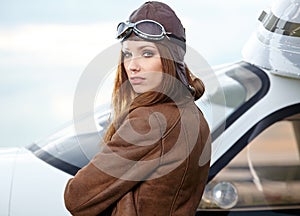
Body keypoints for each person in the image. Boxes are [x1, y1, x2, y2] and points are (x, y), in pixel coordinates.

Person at [64, 1, 211, 215]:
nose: (133, 65)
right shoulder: (194, 114)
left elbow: (76, 197)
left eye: (147, 53)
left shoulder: (151, 120)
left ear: (172, 58)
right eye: (127, 54)